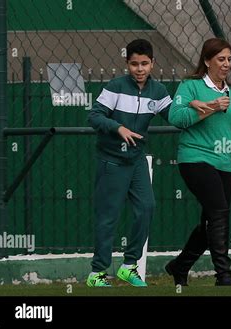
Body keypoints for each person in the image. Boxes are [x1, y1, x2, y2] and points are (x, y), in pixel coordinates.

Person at [86, 39, 172, 287]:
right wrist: (118, 127)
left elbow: (176, 116)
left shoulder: (159, 92)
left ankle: (128, 266)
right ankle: (97, 274)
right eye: (134, 64)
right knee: (107, 217)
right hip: (111, 160)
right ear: (127, 63)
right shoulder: (115, 86)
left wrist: (200, 107)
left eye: (144, 63)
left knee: (147, 208)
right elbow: (94, 116)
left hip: (136, 162)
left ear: (153, 63)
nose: (140, 69)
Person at [166, 38, 231, 286]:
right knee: (219, 213)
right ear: (206, 61)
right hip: (195, 157)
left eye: (229, 59)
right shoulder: (190, 86)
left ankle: (179, 266)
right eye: (220, 59)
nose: (226, 64)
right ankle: (223, 275)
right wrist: (210, 107)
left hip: (226, 161)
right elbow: (176, 118)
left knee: (212, 221)